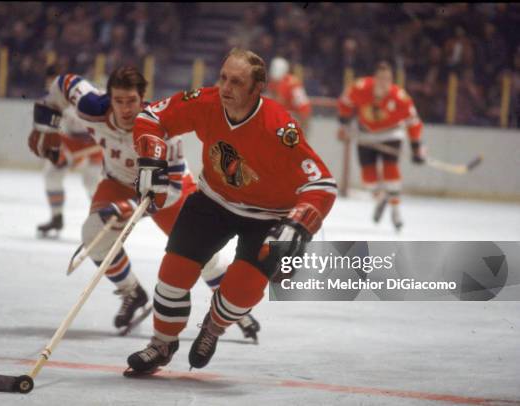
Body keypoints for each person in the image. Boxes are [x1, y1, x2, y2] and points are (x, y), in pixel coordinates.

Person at [126, 48, 336, 374]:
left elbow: (322, 183)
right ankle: (161, 343)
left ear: (257, 89)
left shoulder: (279, 129)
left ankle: (213, 325)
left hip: (268, 216)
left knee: (241, 292)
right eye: (223, 77)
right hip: (213, 200)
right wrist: (152, 156)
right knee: (171, 277)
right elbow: (151, 116)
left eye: (236, 82)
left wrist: (298, 225)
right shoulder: (206, 102)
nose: (225, 88)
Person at [28, 66, 261, 338]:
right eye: (118, 101)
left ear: (143, 99)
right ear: (109, 98)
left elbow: (170, 190)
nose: (125, 110)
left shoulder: (162, 126)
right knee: (93, 235)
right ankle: (132, 293)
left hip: (168, 191)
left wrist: (129, 209)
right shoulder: (91, 106)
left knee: (203, 257)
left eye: (132, 102)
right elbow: (61, 84)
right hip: (118, 181)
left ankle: (235, 310)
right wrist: (46, 128)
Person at [337, 61, 426, 230]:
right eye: (381, 78)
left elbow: (413, 122)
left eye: (388, 79)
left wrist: (416, 147)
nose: (384, 83)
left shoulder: (400, 97)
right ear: (374, 79)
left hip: (390, 134)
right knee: (368, 180)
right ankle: (381, 198)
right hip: (366, 134)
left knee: (390, 172)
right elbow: (345, 103)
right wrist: (344, 124)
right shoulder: (360, 87)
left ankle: (395, 209)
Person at [31, 67, 103, 238]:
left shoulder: (88, 95)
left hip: (96, 141)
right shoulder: (48, 103)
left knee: (92, 181)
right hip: (71, 142)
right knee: (52, 174)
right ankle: (57, 217)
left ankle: (101, 220)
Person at [267, 56, 312, 133]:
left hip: (293, 121)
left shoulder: (294, 85)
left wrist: (302, 133)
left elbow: (304, 108)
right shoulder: (272, 83)